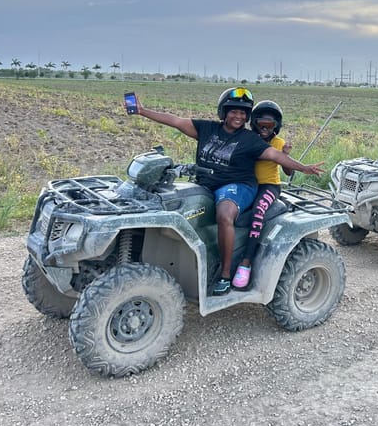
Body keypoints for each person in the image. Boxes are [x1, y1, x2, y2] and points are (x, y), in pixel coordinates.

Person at [130, 88, 324, 295]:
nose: (238, 116)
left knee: (224, 214)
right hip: (205, 184)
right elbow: (175, 121)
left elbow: (276, 156)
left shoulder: (250, 139)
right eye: (233, 111)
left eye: (243, 113)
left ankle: (224, 274)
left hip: (238, 185)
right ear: (223, 112)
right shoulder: (207, 129)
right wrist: (141, 111)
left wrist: (303, 168)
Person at [232, 100, 291, 290]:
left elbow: (289, 173)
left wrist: (286, 156)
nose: (264, 129)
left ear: (276, 127)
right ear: (254, 123)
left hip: (269, 186)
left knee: (258, 212)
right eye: (261, 124)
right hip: (248, 184)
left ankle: (246, 263)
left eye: (269, 125)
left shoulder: (278, 143)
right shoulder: (248, 138)